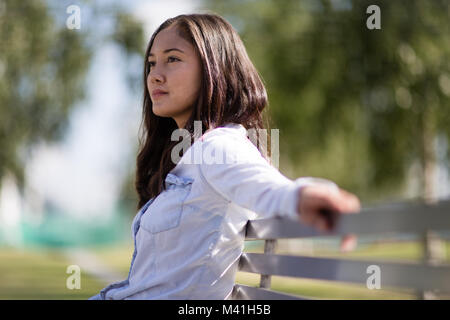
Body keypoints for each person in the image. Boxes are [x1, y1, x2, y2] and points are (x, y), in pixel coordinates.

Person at [89, 13, 360, 300]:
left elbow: (264, 186)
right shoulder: (188, 157)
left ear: (212, 69)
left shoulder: (218, 145)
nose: (155, 74)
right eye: (152, 63)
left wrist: (302, 196)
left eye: (173, 59)